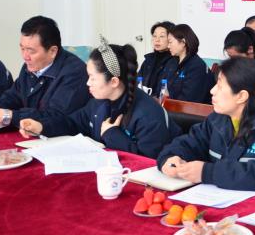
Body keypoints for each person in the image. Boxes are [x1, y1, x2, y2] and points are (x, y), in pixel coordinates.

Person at [158, 57, 255, 197]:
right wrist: (169, 158)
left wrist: (207, 172)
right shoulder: (217, 119)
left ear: (241, 96)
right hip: (233, 199)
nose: (212, 91)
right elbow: (187, 143)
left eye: (220, 86)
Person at [18, 38, 173, 158]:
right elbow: (73, 123)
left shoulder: (148, 115)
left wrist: (111, 134)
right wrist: (42, 126)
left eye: (92, 78)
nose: (88, 83)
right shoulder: (99, 101)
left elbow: (148, 160)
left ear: (114, 82)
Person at [0, 16, 89, 130]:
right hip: (30, 134)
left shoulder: (74, 72)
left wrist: (6, 115)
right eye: (22, 48)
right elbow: (14, 97)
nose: (25, 56)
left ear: (53, 51)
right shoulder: (30, 66)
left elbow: (55, 118)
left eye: (31, 51)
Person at [162, 24, 212, 103]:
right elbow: (162, 87)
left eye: (170, 42)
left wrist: (168, 98)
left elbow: (188, 100)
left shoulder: (197, 67)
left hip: (188, 109)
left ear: (183, 42)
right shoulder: (171, 62)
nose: (168, 46)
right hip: (170, 106)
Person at [138, 21, 176, 97]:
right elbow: (138, 82)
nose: (157, 40)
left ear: (171, 39)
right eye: (154, 36)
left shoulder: (175, 61)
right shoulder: (148, 60)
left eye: (162, 36)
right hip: (145, 101)